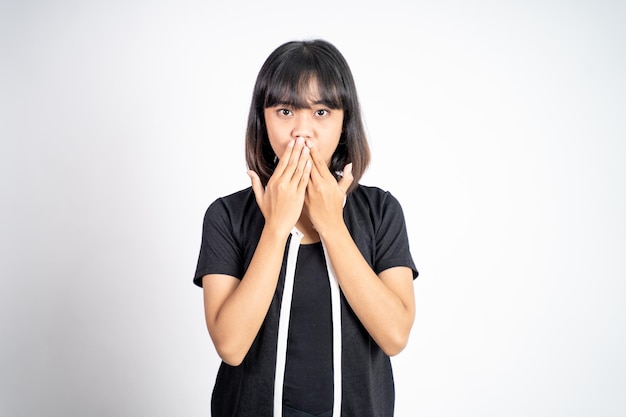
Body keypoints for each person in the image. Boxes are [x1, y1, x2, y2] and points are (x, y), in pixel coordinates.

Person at [193, 39, 418, 417]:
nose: (302, 131)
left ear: (344, 120)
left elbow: (394, 336)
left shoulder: (381, 211)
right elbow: (231, 345)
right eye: (284, 111)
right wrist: (276, 226)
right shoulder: (226, 215)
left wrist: (331, 223)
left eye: (321, 112)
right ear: (262, 120)